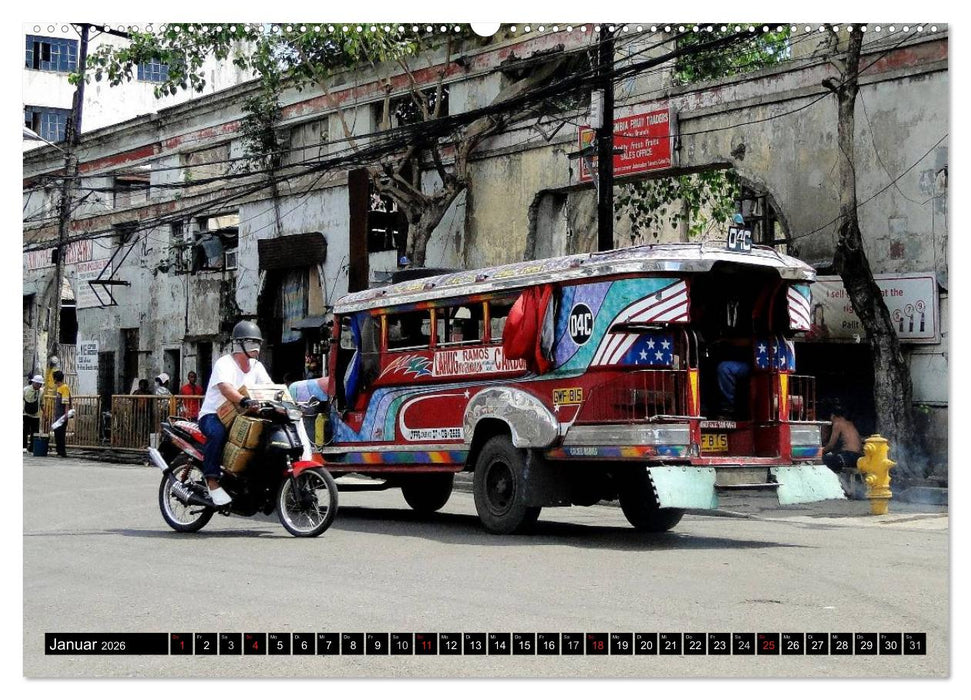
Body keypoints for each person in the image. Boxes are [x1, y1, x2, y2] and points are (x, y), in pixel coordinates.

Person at [197, 321, 271, 506]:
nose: (256, 347)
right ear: (239, 344)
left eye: (257, 342)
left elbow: (269, 387)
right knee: (217, 433)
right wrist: (244, 400)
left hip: (243, 417)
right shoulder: (225, 363)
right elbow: (225, 388)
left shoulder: (257, 366)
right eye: (251, 342)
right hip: (213, 415)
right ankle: (212, 480)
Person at [822, 405, 863, 473]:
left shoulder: (837, 424)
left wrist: (820, 452)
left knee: (821, 460)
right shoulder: (850, 423)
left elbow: (831, 445)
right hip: (858, 457)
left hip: (848, 456)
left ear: (833, 416)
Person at [51, 370, 71, 458]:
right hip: (58, 414)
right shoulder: (58, 388)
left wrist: (66, 414)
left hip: (62, 414)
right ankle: (59, 451)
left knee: (61, 433)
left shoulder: (64, 387)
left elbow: (66, 401)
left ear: (56, 379)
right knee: (57, 432)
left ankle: (62, 452)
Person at [23, 374, 44, 452]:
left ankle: (32, 447)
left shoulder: (41, 391)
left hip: (36, 414)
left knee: (35, 432)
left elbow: (42, 403)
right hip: (26, 413)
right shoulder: (25, 389)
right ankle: (24, 446)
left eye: (40, 384)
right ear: (34, 383)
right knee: (25, 430)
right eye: (38, 383)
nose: (39, 385)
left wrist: (44, 413)